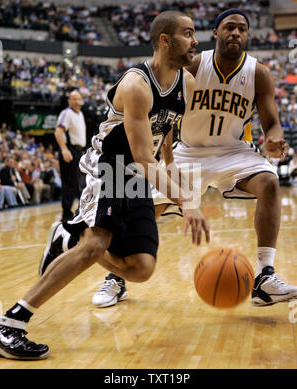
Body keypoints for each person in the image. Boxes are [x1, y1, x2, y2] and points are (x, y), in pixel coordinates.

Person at [0, 11, 210, 360]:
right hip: (110, 166)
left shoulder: (186, 83)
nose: (195, 41)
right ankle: (11, 322)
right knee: (96, 245)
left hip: (139, 172)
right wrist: (186, 200)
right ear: (165, 40)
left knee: (141, 268)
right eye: (188, 33)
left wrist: (170, 164)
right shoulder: (135, 86)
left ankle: (67, 236)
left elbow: (165, 127)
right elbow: (141, 155)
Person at [91, 8, 297, 308]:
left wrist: (275, 138)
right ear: (215, 33)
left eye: (242, 28)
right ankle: (116, 278)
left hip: (232, 151)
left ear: (248, 35)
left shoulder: (259, 73)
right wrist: (168, 160)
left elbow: (271, 122)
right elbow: (166, 115)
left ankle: (265, 277)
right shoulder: (194, 65)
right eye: (228, 27)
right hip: (188, 150)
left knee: (269, 182)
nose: (235, 33)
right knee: (148, 205)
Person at [55, 90, 87, 222]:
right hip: (69, 150)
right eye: (73, 98)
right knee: (69, 184)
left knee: (81, 183)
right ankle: (66, 214)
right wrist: (64, 149)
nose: (76, 100)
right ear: (69, 101)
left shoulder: (80, 114)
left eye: (78, 98)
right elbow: (58, 132)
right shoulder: (66, 113)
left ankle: (81, 211)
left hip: (79, 152)